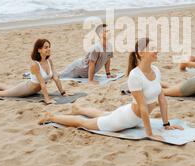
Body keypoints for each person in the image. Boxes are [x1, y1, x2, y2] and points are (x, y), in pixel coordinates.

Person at [38, 38, 183, 141]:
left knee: (104, 113)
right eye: (152, 48)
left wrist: (166, 125)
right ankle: (50, 117)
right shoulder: (135, 75)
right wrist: (149, 134)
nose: (156, 50)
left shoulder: (156, 70)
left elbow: (162, 99)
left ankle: (79, 109)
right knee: (84, 123)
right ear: (141, 53)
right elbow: (143, 107)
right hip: (123, 120)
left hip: (131, 114)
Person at [0, 39, 67, 104]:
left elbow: (56, 78)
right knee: (0, 94)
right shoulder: (35, 65)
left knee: (9, 88)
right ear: (39, 50)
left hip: (30, 89)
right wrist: (47, 99)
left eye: (49, 46)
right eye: (46, 47)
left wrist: (63, 93)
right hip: (25, 90)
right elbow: (42, 84)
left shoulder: (49, 61)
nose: (48, 49)